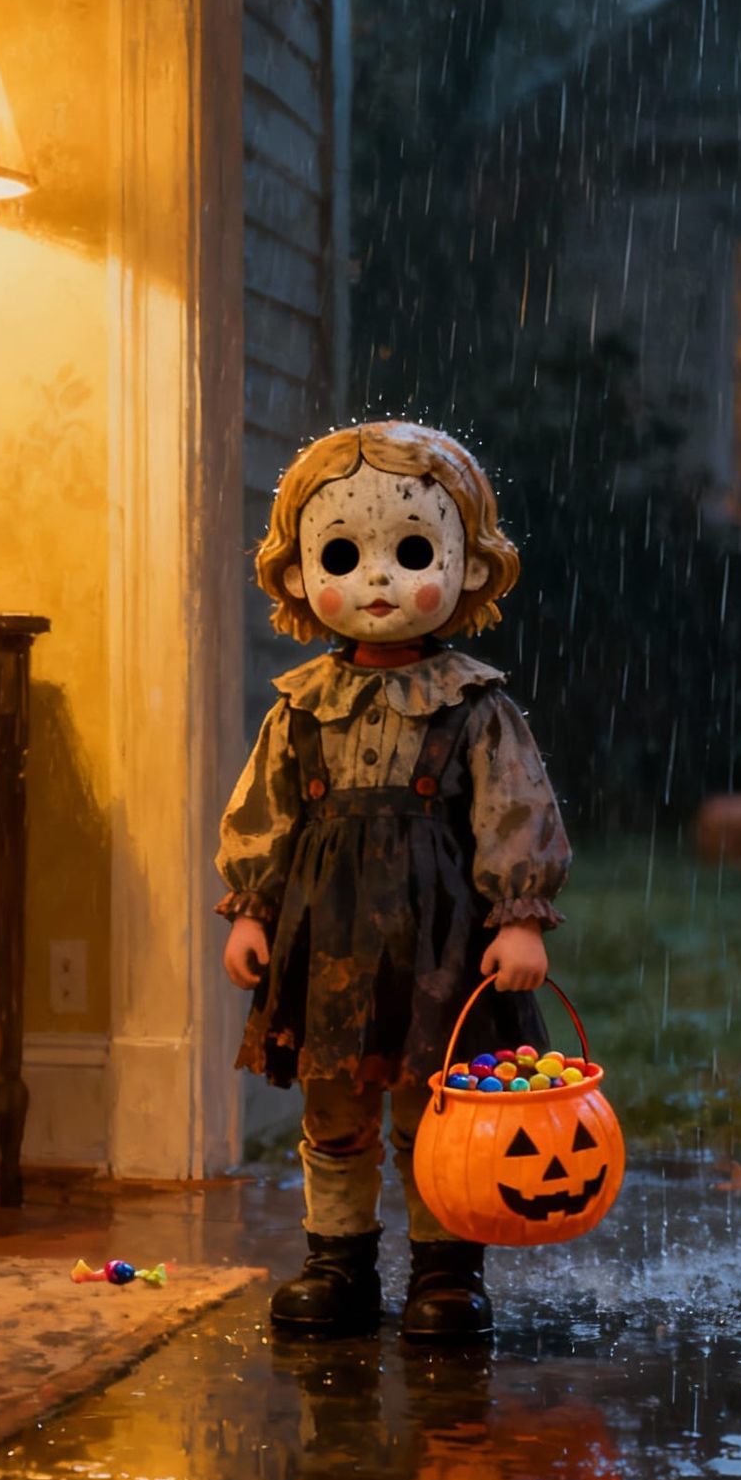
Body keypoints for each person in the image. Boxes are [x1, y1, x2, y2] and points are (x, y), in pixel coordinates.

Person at [217, 421, 571, 1343]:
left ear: (469, 564)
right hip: (328, 943)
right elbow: (267, 812)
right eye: (344, 552)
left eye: (409, 550)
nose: (376, 578)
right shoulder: (300, 709)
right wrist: (250, 908)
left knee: (435, 1109)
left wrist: (518, 915)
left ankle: (445, 1271)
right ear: (298, 572)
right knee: (334, 1105)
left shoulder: (475, 707)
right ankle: (339, 1261)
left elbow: (515, 811)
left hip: (439, 945)